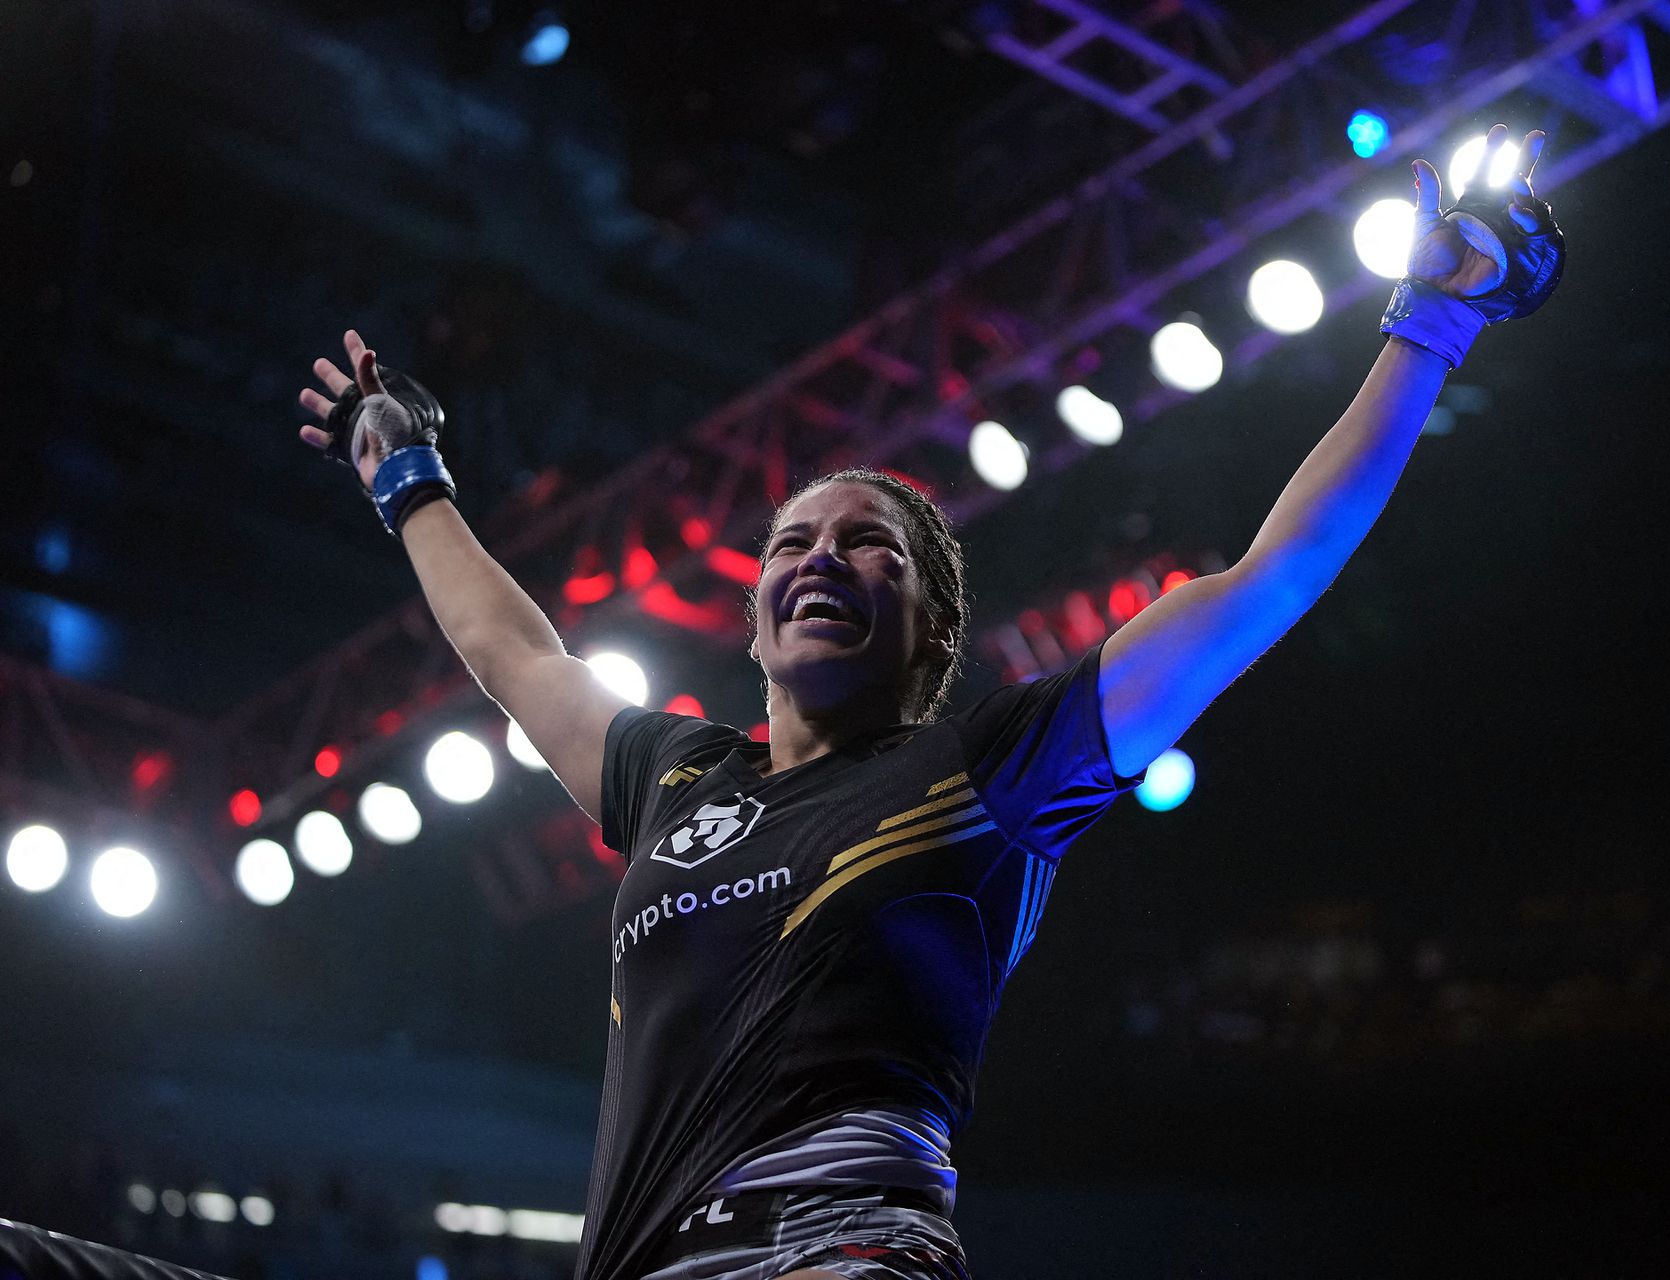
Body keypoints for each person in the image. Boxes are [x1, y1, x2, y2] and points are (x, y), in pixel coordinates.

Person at [295, 125, 1562, 1280]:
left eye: (869, 544)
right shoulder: (677, 777)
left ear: (935, 626)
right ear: (753, 619)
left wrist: (1431, 325)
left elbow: (1267, 577)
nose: (819, 558)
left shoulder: (995, 762)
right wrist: (407, 476)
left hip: (841, 1252)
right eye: (792, 542)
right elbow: (514, 654)